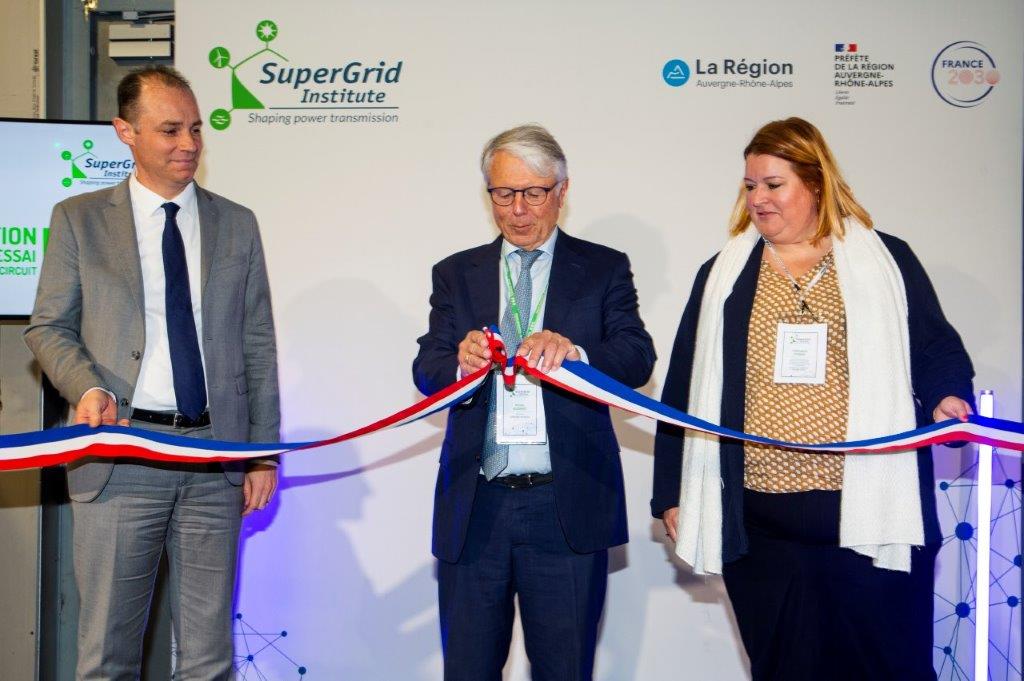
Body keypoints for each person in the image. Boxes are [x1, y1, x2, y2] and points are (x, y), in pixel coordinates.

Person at [650, 117, 974, 681]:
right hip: (761, 527)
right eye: (750, 186)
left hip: (867, 519)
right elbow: (682, 387)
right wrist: (671, 493)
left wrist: (949, 393)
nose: (758, 199)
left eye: (773, 185)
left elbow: (934, 345)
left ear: (815, 184)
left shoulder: (886, 262)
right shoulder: (724, 274)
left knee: (884, 668)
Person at [25, 65, 280, 680]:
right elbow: (48, 328)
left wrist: (263, 454)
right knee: (108, 655)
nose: (188, 144)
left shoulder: (236, 223)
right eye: (170, 130)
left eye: (195, 129)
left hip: (212, 460)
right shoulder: (78, 220)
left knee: (208, 657)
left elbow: (257, 343)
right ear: (125, 132)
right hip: (121, 455)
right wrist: (88, 387)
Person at [414, 124, 656, 681]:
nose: (518, 210)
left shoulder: (603, 267)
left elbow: (636, 354)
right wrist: (460, 361)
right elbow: (426, 369)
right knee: (468, 670)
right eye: (503, 193)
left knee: (565, 670)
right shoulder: (457, 273)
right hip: (476, 508)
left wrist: (575, 352)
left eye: (533, 193)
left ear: (562, 191)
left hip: (564, 504)